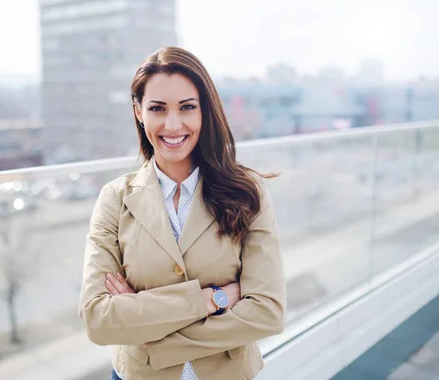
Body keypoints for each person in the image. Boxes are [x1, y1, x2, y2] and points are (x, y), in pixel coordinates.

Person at [79, 46, 286, 380]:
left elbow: (267, 313)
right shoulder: (114, 199)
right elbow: (98, 320)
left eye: (187, 107)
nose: (172, 124)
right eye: (158, 109)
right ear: (138, 111)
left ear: (205, 111)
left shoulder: (248, 193)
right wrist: (213, 299)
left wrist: (148, 327)